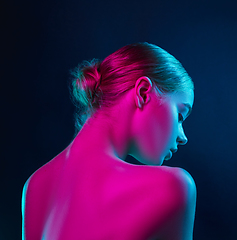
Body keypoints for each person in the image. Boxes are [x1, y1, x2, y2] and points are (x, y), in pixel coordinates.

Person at [21, 42, 196, 240]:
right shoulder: (173, 186)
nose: (183, 137)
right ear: (143, 92)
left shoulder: (35, 186)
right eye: (180, 115)